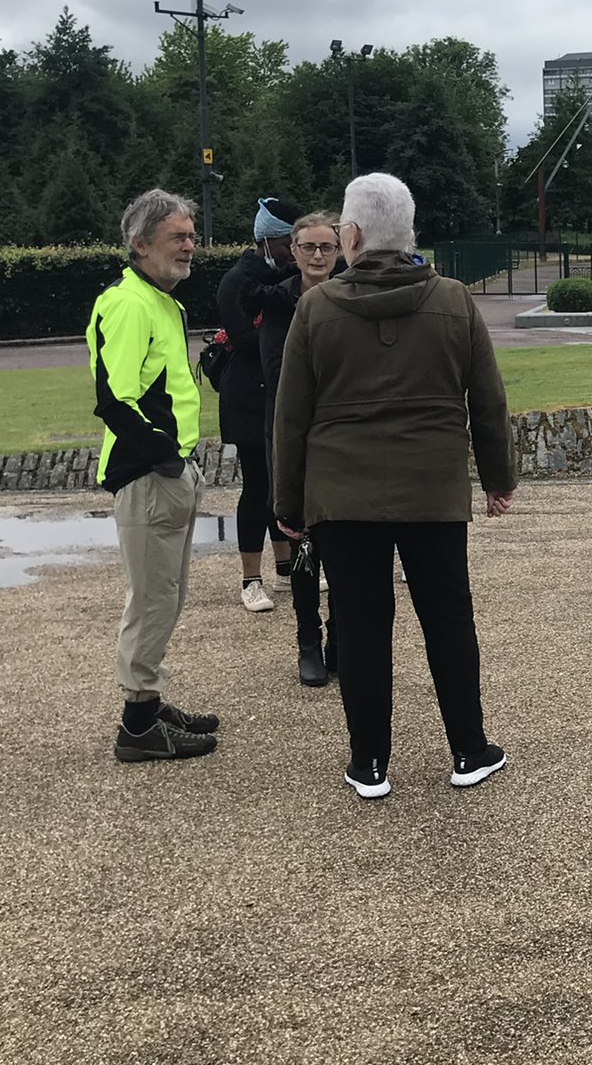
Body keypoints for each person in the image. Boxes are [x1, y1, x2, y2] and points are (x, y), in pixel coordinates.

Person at [273, 173, 518, 800]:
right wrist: (497, 478)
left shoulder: (317, 307)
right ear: (409, 233)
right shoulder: (455, 300)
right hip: (432, 487)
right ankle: (468, 748)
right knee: (447, 618)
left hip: (341, 493)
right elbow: (486, 400)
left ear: (350, 235)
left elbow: (291, 417)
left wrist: (288, 505)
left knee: (359, 624)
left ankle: (370, 763)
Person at [86, 189, 219, 762]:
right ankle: (137, 725)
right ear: (140, 244)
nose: (190, 246)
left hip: (168, 471)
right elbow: (114, 398)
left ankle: (149, 700)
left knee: (166, 596)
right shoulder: (130, 303)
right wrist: (165, 455)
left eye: (191, 236)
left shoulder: (162, 300)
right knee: (152, 599)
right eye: (178, 237)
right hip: (148, 476)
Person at [251, 211, 344, 687]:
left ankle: (339, 640)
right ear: (294, 250)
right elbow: (274, 367)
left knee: (345, 544)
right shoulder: (279, 299)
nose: (317, 256)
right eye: (308, 247)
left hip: (342, 433)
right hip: (291, 431)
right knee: (302, 538)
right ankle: (308, 639)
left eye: (326, 247)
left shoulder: (351, 295)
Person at [217, 197, 302, 614]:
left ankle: (286, 566)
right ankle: (251, 579)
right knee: (257, 484)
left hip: (280, 389)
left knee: (281, 480)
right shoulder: (238, 280)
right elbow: (244, 336)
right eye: (290, 242)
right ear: (268, 240)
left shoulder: (291, 277)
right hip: (248, 394)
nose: (295, 251)